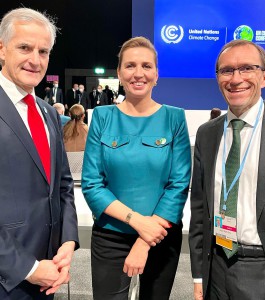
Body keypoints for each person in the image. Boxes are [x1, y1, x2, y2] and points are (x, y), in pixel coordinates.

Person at [82, 36, 191, 300]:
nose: (138, 73)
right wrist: (137, 222)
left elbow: (179, 184)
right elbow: (92, 184)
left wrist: (145, 239)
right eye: (130, 66)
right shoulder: (103, 117)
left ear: (156, 74)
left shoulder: (174, 118)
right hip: (111, 235)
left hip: (160, 234)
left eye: (146, 66)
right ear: (119, 73)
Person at [0, 7, 79, 299]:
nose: (35, 60)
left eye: (43, 51)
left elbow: (63, 186)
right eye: (25, 47)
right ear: (2, 49)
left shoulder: (48, 113)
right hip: (8, 275)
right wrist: (28, 268)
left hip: (49, 274)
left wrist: (68, 240)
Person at [189, 39, 265, 300]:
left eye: (247, 68)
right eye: (226, 70)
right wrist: (199, 275)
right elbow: (199, 210)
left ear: (263, 77)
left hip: (260, 267)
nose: (236, 78)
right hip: (217, 264)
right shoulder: (207, 134)